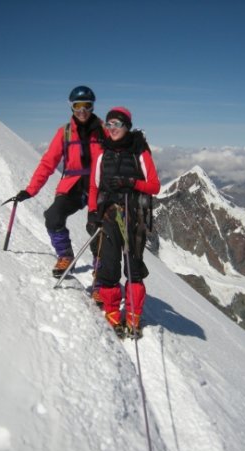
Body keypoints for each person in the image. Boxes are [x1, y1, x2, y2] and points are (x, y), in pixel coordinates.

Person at [11, 86, 106, 277]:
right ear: (71, 107)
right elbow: (48, 162)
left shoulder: (104, 131)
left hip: (100, 186)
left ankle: (101, 271)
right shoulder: (65, 133)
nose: (82, 111)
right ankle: (65, 255)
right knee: (53, 217)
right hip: (74, 186)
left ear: (93, 107)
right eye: (77, 106)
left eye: (87, 106)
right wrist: (31, 190)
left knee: (97, 226)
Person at [86, 107, 161, 338]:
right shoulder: (102, 154)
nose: (113, 129)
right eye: (109, 125)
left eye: (117, 124)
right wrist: (92, 213)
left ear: (127, 126)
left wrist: (131, 182)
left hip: (134, 215)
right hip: (108, 215)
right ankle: (112, 311)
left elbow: (154, 186)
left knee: (133, 267)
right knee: (108, 265)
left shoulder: (140, 151)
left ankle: (133, 314)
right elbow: (93, 187)